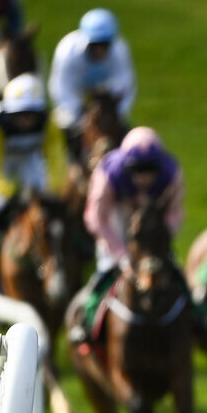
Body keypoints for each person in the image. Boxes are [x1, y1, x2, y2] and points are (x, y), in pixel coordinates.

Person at [71, 126, 185, 343]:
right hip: (116, 218)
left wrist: (161, 241)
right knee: (107, 269)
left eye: (150, 170)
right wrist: (121, 255)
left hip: (152, 225)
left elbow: (175, 212)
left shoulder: (172, 173)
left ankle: (197, 316)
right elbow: (96, 218)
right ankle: (87, 317)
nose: (144, 177)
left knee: (171, 268)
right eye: (138, 170)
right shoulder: (108, 173)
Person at [0, 73, 68, 274]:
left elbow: (56, 157)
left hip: (29, 158)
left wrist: (53, 187)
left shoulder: (48, 122)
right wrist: (10, 191)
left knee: (52, 205)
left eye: (31, 113)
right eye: (20, 114)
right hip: (2, 160)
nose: (26, 120)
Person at [49, 9, 137, 164]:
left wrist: (116, 112)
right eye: (95, 44)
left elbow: (125, 86)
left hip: (106, 96)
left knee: (125, 135)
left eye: (104, 44)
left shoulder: (120, 50)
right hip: (76, 95)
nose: (99, 50)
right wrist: (80, 115)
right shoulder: (67, 51)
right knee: (60, 132)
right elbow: (61, 88)